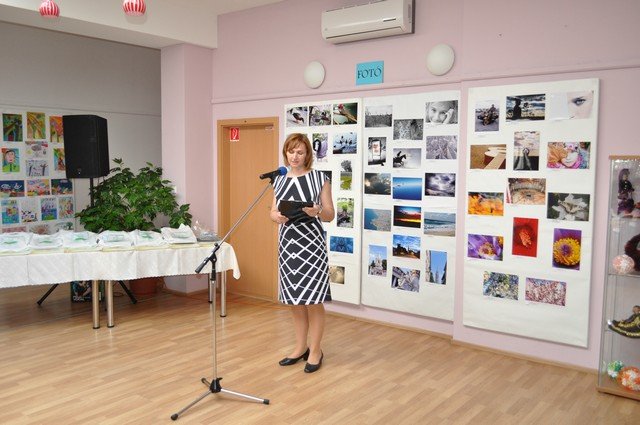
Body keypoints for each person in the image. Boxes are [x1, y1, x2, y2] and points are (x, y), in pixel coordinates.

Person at [270, 133, 335, 373]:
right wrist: (276, 216)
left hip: (312, 245)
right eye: (291, 151)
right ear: (285, 153)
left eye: (299, 152)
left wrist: (317, 211)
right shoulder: (279, 179)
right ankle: (300, 348)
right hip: (288, 245)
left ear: (307, 154)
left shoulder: (320, 178)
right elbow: (272, 211)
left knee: (313, 300)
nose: (294, 156)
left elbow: (330, 214)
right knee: (295, 300)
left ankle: (315, 350)